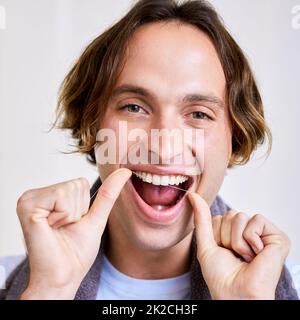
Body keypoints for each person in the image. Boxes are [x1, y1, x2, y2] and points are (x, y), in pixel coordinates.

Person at [1, 0, 298, 300]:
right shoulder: (21, 283)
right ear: (93, 125)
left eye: (199, 114)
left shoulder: (280, 287)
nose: (163, 149)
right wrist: (50, 291)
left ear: (234, 140)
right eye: (134, 107)